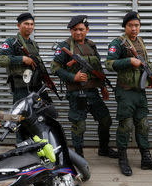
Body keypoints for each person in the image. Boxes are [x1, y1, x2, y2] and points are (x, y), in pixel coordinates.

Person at [105, 11, 152, 176]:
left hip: (140, 92)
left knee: (143, 125)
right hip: (125, 92)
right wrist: (128, 61)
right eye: (130, 25)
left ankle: (146, 158)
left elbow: (147, 62)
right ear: (125, 26)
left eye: (137, 25)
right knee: (125, 126)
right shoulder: (118, 43)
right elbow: (109, 64)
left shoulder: (140, 41)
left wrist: (151, 78)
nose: (134, 28)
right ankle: (123, 159)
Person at [50, 15, 117, 159]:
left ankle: (104, 149)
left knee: (106, 120)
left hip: (93, 92)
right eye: (74, 30)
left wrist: (103, 87)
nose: (78, 32)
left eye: (81, 29)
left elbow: (97, 68)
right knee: (79, 126)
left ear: (87, 30)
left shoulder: (91, 45)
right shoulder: (66, 46)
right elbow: (54, 68)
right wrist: (73, 77)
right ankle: (78, 156)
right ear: (71, 31)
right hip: (76, 94)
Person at [0, 12, 51, 104]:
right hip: (21, 89)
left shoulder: (34, 44)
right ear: (18, 25)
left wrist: (46, 80)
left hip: (37, 87)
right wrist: (22, 59)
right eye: (26, 24)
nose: (29, 27)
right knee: (22, 116)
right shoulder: (11, 42)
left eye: (32, 24)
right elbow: (0, 60)